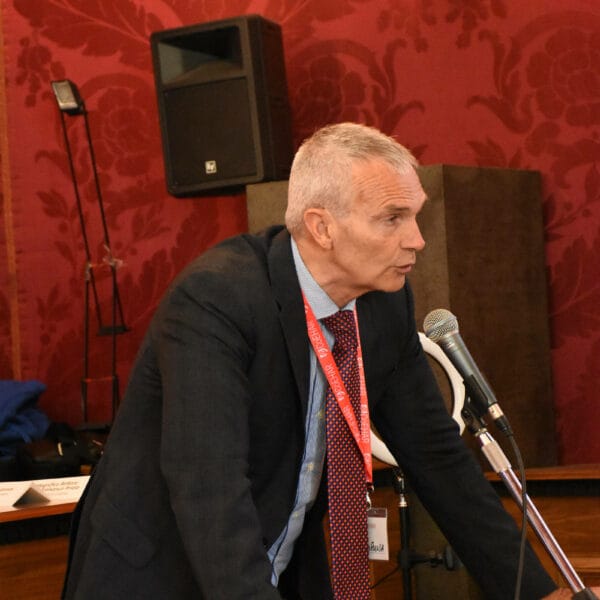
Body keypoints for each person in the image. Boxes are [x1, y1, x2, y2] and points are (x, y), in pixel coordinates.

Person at [62, 122, 592, 600]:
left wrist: (537, 593)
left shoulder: (384, 303)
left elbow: (438, 460)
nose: (417, 239)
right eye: (393, 218)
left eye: (415, 215)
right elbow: (208, 488)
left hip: (277, 564)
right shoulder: (217, 298)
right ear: (321, 227)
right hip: (160, 573)